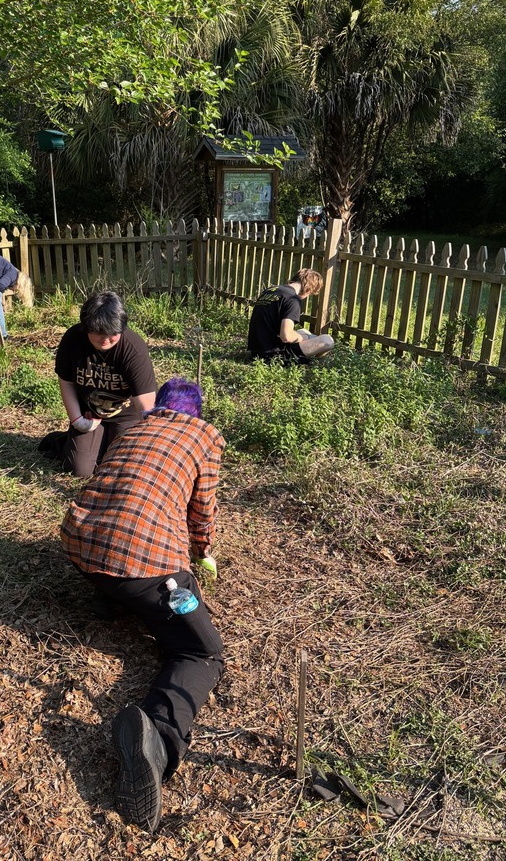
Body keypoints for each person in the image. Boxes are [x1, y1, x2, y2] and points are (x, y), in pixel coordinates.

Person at [60, 378, 225, 833]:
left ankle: (112, 599)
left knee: (130, 579)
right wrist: (202, 549)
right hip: (143, 565)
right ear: (195, 412)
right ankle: (160, 740)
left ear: (160, 409)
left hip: (80, 545)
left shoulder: (132, 428)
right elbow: (202, 509)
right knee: (202, 651)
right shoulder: (204, 436)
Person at [54, 290, 157, 478]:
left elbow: (146, 406)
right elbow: (66, 381)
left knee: (119, 467)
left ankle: (103, 446)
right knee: (79, 470)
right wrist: (77, 419)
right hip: (89, 413)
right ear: (86, 327)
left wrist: (150, 439)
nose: (106, 339)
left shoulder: (133, 349)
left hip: (126, 416)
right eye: (98, 333)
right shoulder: (72, 340)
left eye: (113, 334)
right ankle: (66, 442)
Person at [247, 267, 334, 364]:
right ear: (309, 288)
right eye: (310, 293)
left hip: (256, 351)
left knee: (303, 331)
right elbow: (286, 336)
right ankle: (314, 360)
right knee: (327, 340)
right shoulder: (293, 299)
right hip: (272, 355)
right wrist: (305, 338)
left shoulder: (271, 290)